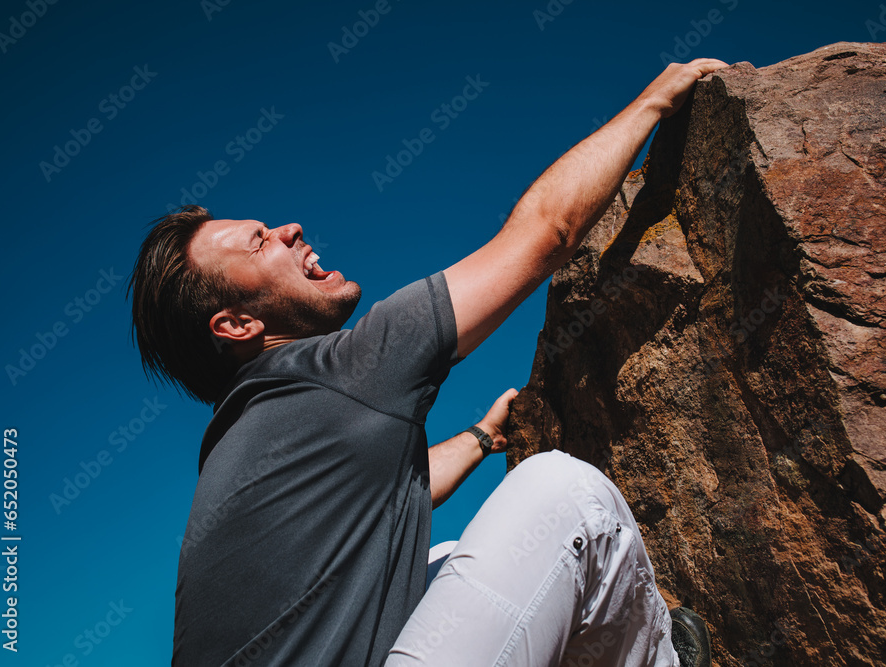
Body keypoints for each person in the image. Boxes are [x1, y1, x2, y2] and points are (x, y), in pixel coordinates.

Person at [129, 58, 727, 666]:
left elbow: (382, 500)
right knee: (565, 493)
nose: (288, 228)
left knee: (436, 558)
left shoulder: (237, 442)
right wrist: (655, 100)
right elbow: (548, 231)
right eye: (259, 241)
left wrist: (479, 437)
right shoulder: (341, 369)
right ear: (237, 325)